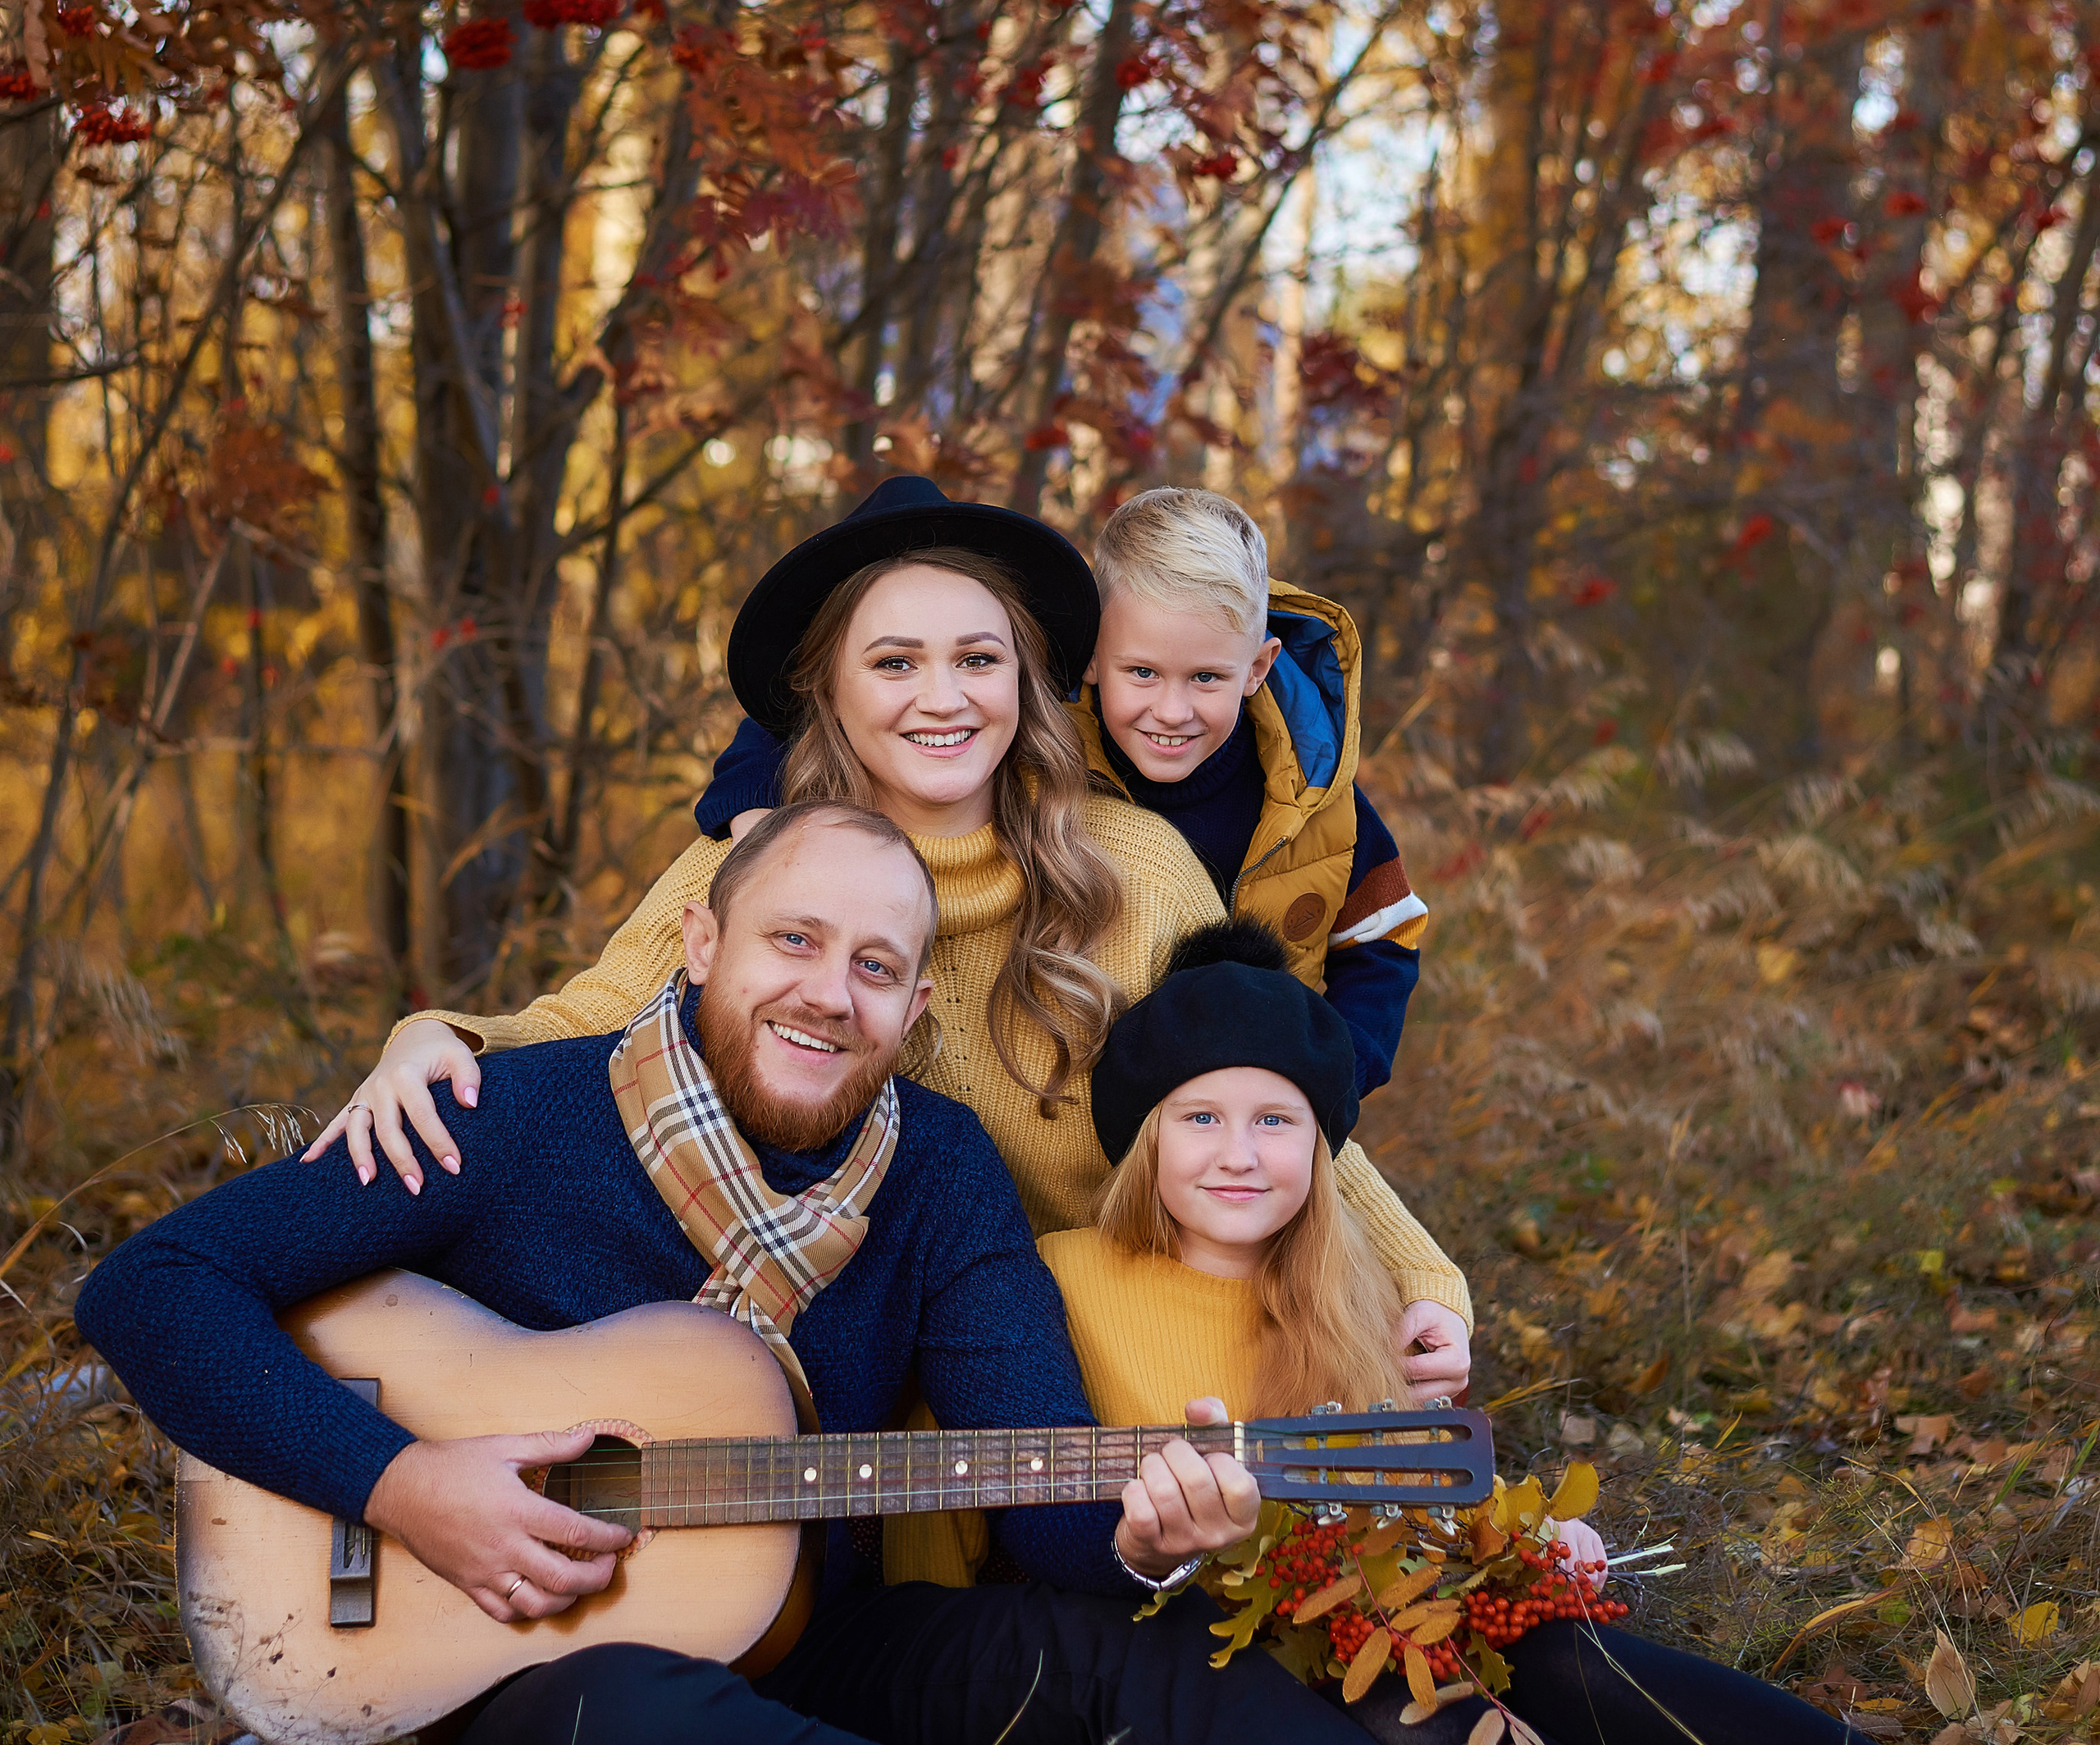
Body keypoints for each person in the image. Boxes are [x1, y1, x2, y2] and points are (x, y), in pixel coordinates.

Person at [81, 805, 1877, 1745]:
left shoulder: (931, 1170)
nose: (828, 991)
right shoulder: (504, 1116)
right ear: (701, 940)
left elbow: (1035, 1506)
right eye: (791, 941)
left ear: (912, 997)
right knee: (625, 1721)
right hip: (512, 1653)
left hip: (823, 1638)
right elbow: (152, 1291)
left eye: (875, 967)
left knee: (1120, 1673)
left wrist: (1150, 1533)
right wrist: (401, 1484)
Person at [304, 477, 1472, 1398]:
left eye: (977, 660)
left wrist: (1419, 1278)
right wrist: (435, 1035)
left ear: (1028, 681)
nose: (944, 698)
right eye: (896, 664)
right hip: (882, 1406)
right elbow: (583, 1021)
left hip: (1128, 1381)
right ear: (835, 691)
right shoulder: (755, 871)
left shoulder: (1139, 866)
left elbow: (1264, 1090)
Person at [1043, 922, 2015, 1745]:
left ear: (1319, 1146)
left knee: (1565, 1659)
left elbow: (1408, 1479)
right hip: (1211, 1650)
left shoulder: (1344, 1293)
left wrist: (1518, 1533)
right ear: (1146, 1137)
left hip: (1383, 1604)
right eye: (1200, 1118)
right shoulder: (1069, 1277)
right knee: (1425, 1726)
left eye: (1275, 1120)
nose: (1239, 1155)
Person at [694, 484, 1425, 1105]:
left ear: (1258, 668)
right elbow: (808, 712)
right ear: (1094, 658)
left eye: (1206, 678)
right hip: (1077, 1052)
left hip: (1248, 1084)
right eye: (1141, 673)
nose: (1171, 712)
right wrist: (756, 805)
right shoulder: (1043, 727)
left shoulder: (1310, 794)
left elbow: (1383, 938)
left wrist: (1332, 1067)